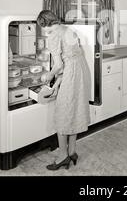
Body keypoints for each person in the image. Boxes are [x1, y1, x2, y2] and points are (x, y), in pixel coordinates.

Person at [37, 10, 91, 170]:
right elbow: (71, 60)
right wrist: (57, 84)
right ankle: (72, 151)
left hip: (71, 73)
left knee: (63, 113)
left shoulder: (53, 36)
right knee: (74, 111)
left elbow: (60, 65)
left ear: (44, 23)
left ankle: (62, 156)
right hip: (81, 71)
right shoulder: (69, 30)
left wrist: (49, 75)